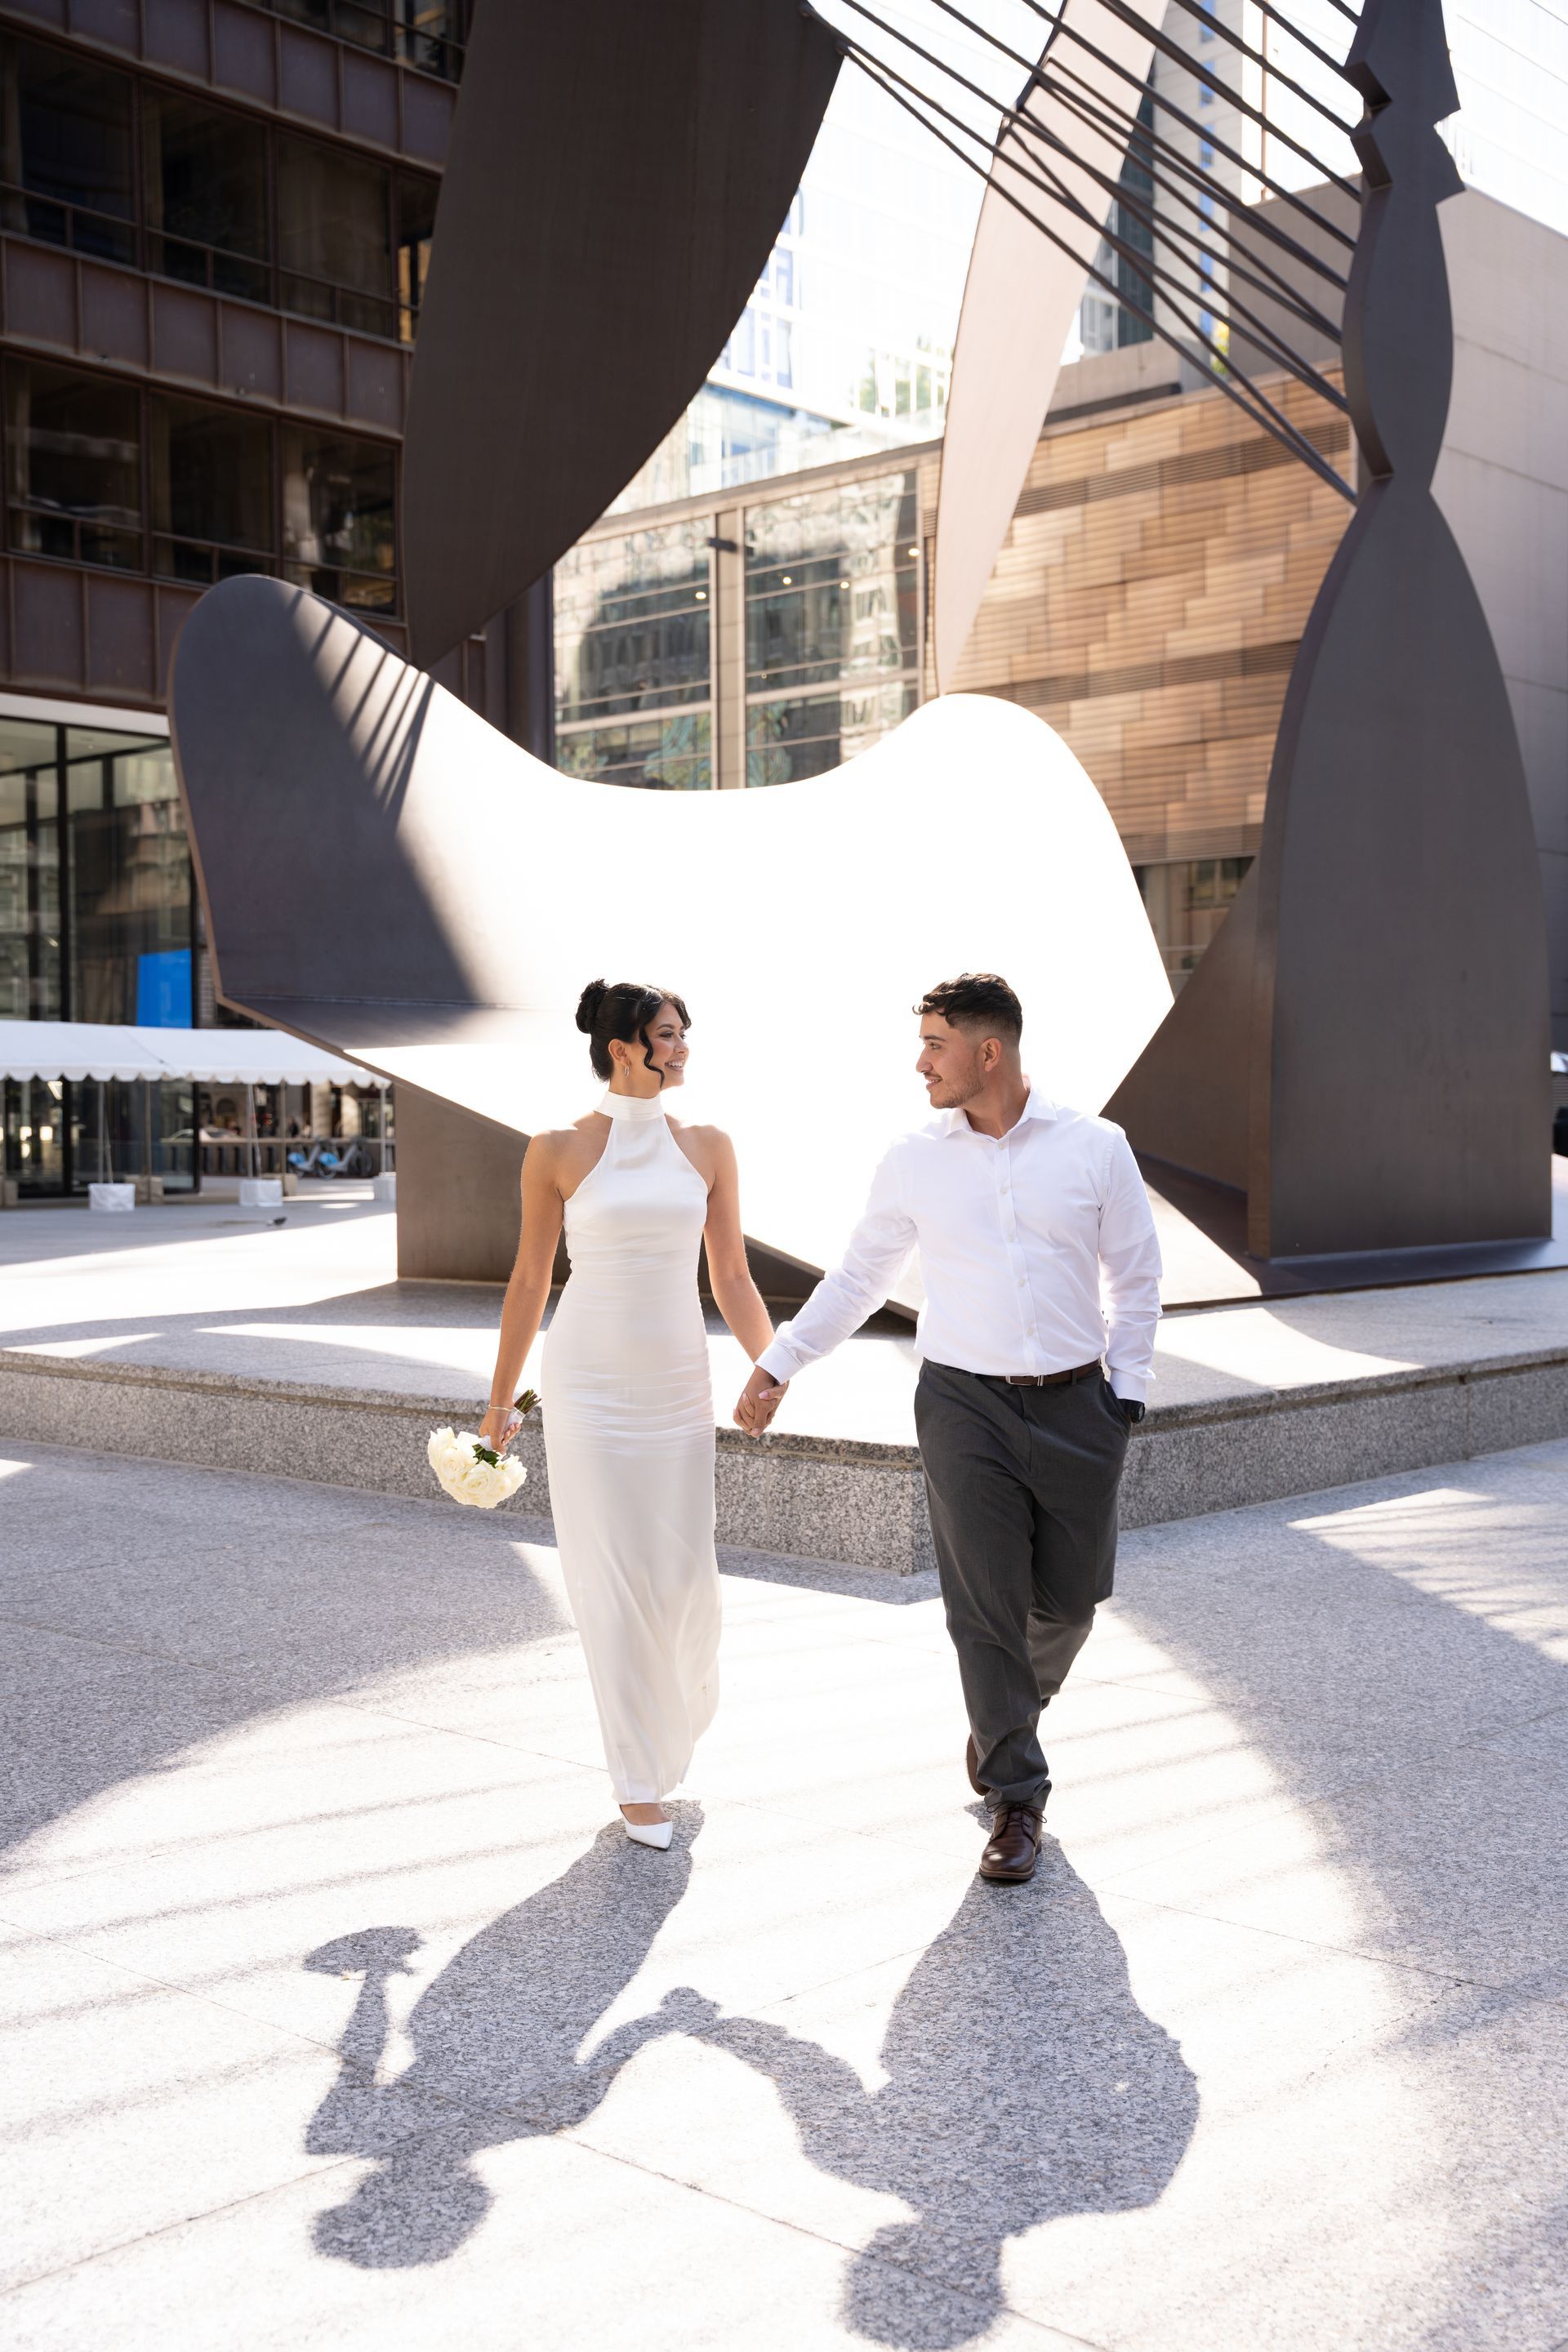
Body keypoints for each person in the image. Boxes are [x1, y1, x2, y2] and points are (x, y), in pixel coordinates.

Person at [735, 973, 1160, 1886]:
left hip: (1080, 1403)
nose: (920, 1062)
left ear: (988, 1051)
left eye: (935, 1044)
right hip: (963, 1403)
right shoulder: (913, 1158)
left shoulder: (1096, 1148)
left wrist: (1123, 1396)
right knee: (984, 1608)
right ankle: (1017, 1800)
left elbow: (1136, 1273)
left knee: (1071, 1602)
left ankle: (1001, 1717)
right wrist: (780, 1362)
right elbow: (857, 1278)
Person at [481, 981, 776, 1850]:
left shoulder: (710, 1146)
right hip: (589, 1386)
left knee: (683, 1577)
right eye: (668, 1036)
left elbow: (732, 1276)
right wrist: (500, 1404)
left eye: (684, 1035)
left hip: (677, 1386)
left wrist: (773, 1366)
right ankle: (635, 1780)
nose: (683, 1049)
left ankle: (669, 1727)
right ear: (622, 1047)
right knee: (611, 1581)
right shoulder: (557, 1150)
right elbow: (531, 1281)